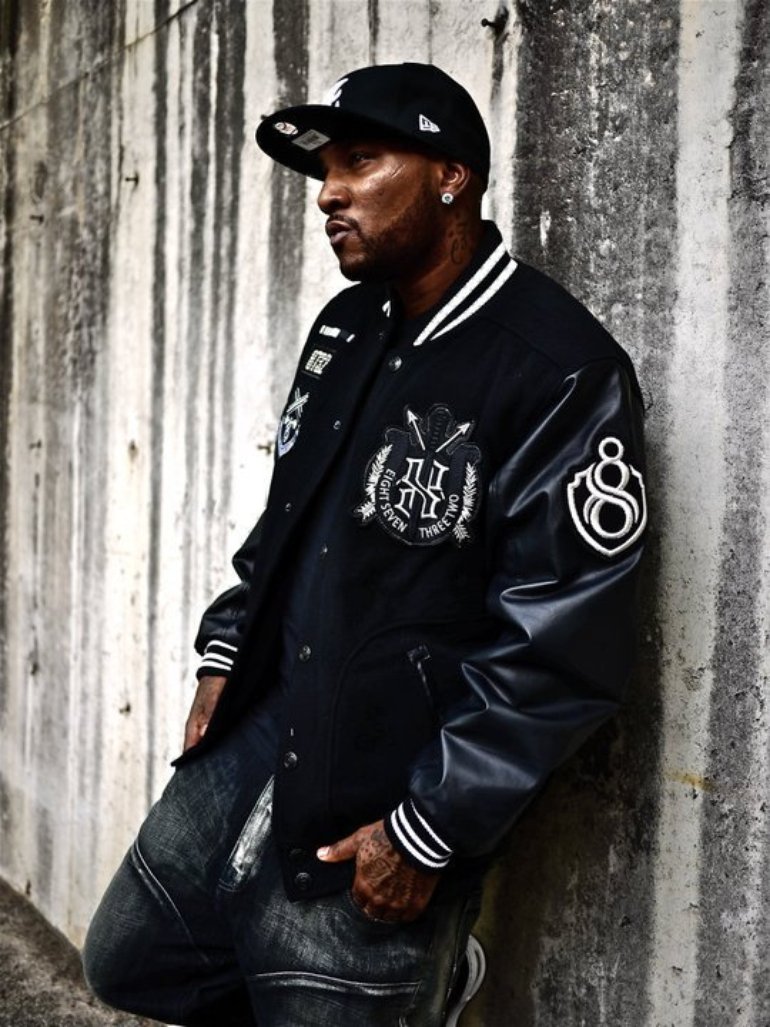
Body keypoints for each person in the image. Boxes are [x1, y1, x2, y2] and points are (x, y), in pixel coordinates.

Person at [83, 62, 647, 1027]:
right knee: (128, 959)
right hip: (265, 720)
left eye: (360, 162)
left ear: (451, 176)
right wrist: (225, 652)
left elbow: (565, 642)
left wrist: (430, 827)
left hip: (396, 779)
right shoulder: (346, 324)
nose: (327, 193)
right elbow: (289, 519)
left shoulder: (558, 368)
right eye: (325, 170)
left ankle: (427, 979)